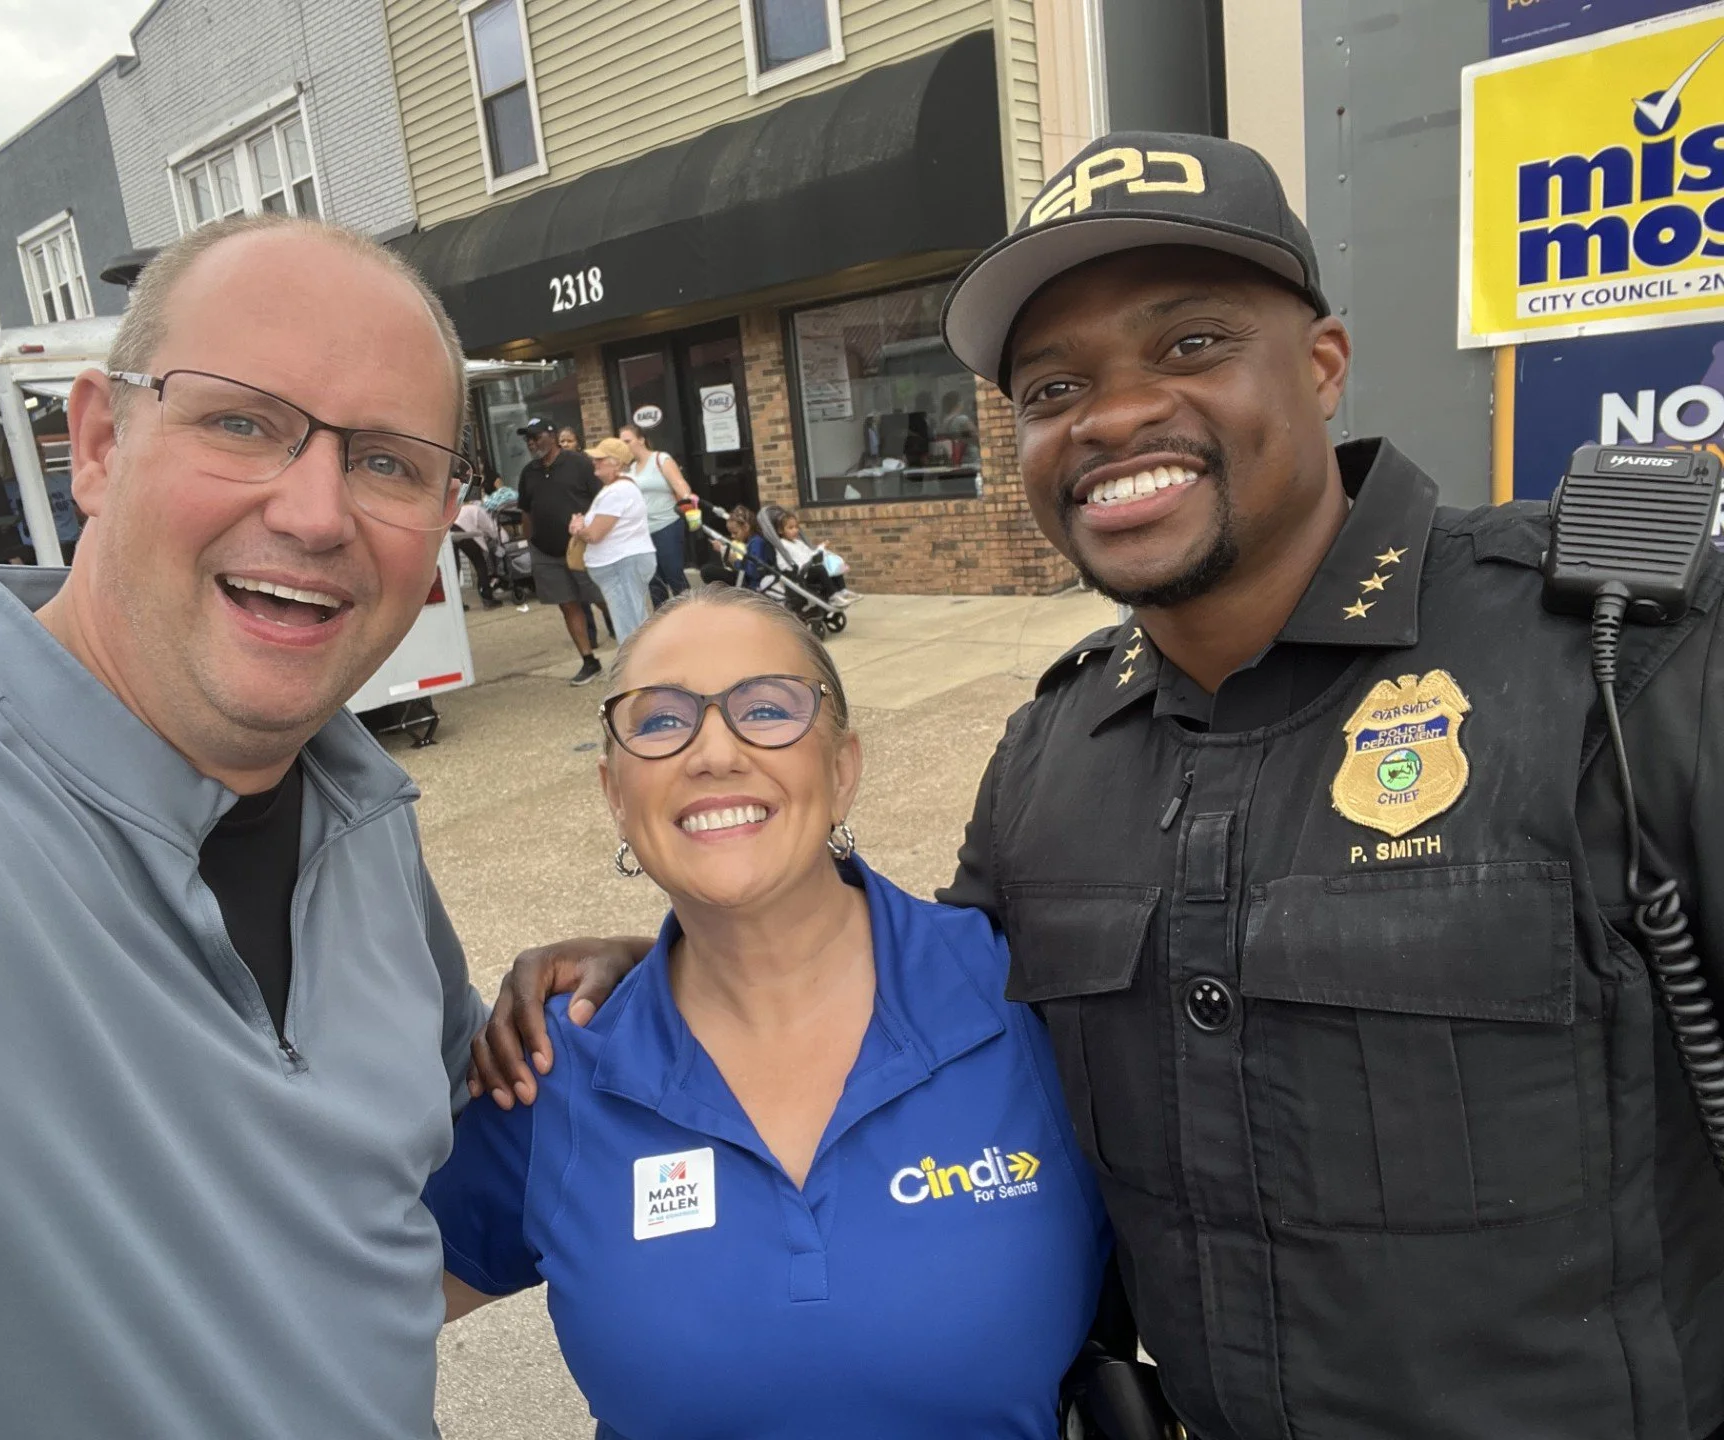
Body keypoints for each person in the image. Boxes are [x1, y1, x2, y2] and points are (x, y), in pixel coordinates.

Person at [472, 131, 1724, 1440]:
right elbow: (916, 1004)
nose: (1115, 414)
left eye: (1188, 347)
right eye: (1056, 385)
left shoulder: (1624, 662)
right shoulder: (1050, 760)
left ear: (1322, 364)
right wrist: (689, 954)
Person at [0, 213, 489, 1438]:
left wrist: (682, 978)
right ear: (101, 442)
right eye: (242, 421)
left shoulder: (363, 816)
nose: (319, 511)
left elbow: (423, 1188)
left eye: (389, 461)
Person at [431, 584, 1111, 1438]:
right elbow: (338, 1312)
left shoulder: (1028, 1002)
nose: (714, 750)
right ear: (614, 791)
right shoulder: (556, 1070)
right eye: (659, 720)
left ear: (842, 770)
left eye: (766, 707)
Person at [517, 416, 610, 684]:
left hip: (582, 546)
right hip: (545, 551)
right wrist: (529, 541)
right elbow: (526, 509)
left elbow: (601, 500)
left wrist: (597, 533)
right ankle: (589, 661)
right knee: (568, 605)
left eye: (536, 437)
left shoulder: (579, 464)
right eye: (528, 439)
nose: (532, 443)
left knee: (600, 597)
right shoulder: (529, 472)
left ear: (553, 435)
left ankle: (633, 647)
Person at [569, 436, 656, 642]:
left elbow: (594, 534)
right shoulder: (616, 489)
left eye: (600, 458)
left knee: (631, 629)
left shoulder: (618, 491)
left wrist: (578, 528)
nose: (594, 462)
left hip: (622, 564)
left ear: (616, 463)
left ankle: (637, 671)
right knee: (631, 624)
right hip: (622, 564)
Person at [620, 423, 692, 603]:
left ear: (641, 440)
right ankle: (661, 624)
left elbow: (680, 484)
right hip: (642, 532)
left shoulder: (661, 459)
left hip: (667, 525)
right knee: (653, 582)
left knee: (674, 575)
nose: (624, 446)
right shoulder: (628, 469)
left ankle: (692, 618)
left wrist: (687, 499)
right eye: (621, 443)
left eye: (627, 441)